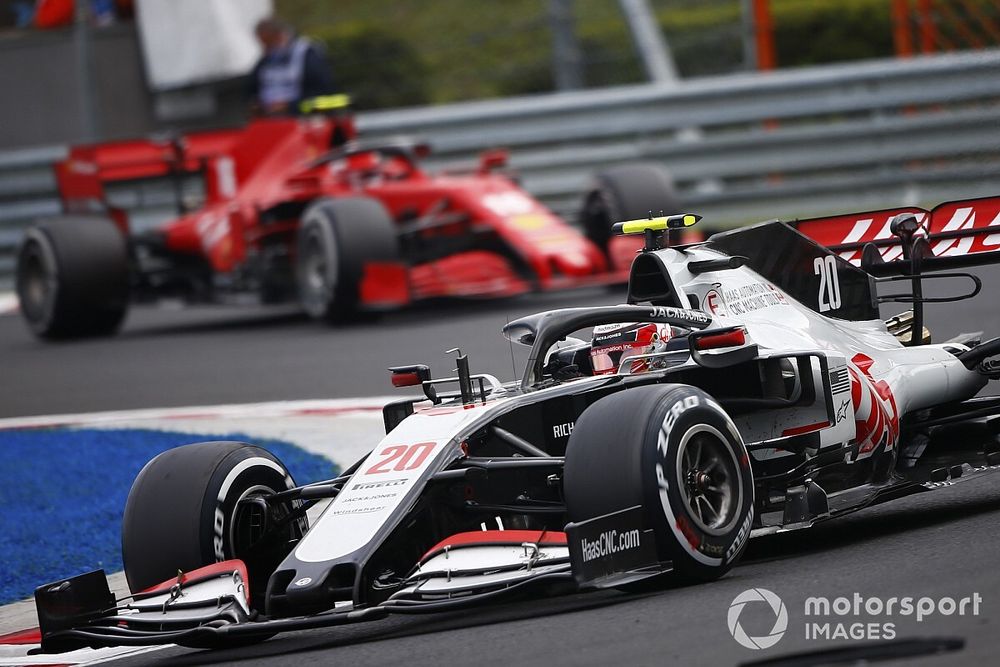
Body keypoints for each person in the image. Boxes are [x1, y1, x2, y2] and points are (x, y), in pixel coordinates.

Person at [248, 17, 335, 116]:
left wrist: (291, 106)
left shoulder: (307, 55)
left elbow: (323, 93)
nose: (265, 48)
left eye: (268, 43)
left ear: (279, 36)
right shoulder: (265, 60)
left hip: (301, 118)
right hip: (269, 119)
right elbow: (252, 88)